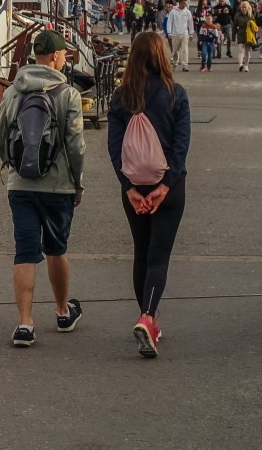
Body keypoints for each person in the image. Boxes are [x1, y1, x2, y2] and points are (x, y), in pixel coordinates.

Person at [0, 29, 86, 348]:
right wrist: (78, 183)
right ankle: (62, 313)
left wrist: (14, 166)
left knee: (25, 251)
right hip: (58, 186)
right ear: (55, 57)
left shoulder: (13, 91)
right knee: (56, 249)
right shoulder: (68, 94)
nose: (64, 59)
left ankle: (25, 324)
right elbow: (76, 146)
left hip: (21, 185)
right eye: (64, 55)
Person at [107, 32, 191, 358]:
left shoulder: (120, 97)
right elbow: (181, 147)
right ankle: (148, 318)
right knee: (159, 257)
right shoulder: (176, 94)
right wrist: (166, 185)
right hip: (168, 187)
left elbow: (115, 148)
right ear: (162, 56)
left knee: (141, 253)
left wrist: (127, 188)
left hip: (135, 187)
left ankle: (148, 318)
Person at [166, 0, 194, 71]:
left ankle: (185, 66)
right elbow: (169, 22)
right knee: (175, 50)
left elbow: (190, 23)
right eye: (184, 4)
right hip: (175, 34)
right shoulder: (173, 11)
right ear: (180, 3)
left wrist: (191, 33)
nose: (185, 5)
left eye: (186, 4)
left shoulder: (187, 12)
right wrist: (169, 33)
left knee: (185, 50)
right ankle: (175, 63)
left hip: (185, 34)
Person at [234, 0, 257, 72]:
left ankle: (246, 66)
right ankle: (240, 65)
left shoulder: (251, 15)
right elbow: (234, 26)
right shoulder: (237, 15)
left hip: (249, 35)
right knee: (240, 50)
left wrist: (254, 37)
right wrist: (233, 36)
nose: (243, 9)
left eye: (245, 7)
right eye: (242, 7)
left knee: (247, 51)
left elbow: (254, 27)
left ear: (247, 8)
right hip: (240, 33)